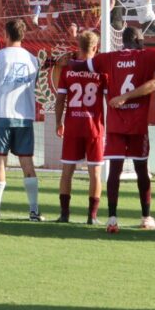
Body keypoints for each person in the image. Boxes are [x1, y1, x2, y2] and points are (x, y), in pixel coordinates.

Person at [68, 27, 155, 233]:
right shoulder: (147, 56)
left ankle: (112, 219)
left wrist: (61, 62)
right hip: (137, 124)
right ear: (138, 40)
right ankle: (145, 216)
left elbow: (78, 65)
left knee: (114, 170)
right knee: (141, 170)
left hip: (116, 123)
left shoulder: (108, 58)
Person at [0, 19, 41, 221]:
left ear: (6, 35)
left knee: (0, 163)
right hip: (24, 116)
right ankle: (34, 211)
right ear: (23, 35)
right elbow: (34, 85)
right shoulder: (33, 60)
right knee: (27, 163)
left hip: (1, 114)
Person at [55, 30, 106, 224]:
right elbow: (108, 99)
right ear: (95, 47)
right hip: (94, 127)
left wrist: (59, 122)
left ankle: (64, 215)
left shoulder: (68, 69)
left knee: (67, 170)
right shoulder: (101, 70)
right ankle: (92, 216)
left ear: (78, 46)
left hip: (73, 126)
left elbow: (60, 99)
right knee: (95, 173)